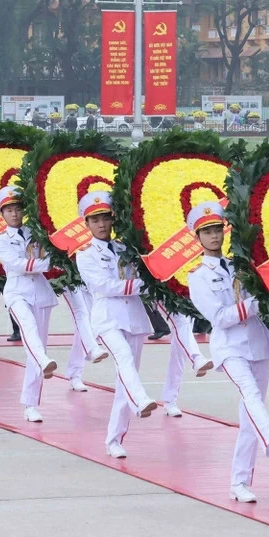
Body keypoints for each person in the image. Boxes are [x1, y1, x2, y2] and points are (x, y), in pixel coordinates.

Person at [187, 201, 269, 502]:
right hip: (229, 347)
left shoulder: (241, 264)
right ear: (197, 237)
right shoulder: (198, 276)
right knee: (250, 394)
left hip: (257, 344)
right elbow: (219, 317)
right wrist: (256, 303)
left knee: (250, 413)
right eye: (206, 231)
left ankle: (239, 482)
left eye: (217, 229)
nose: (214, 236)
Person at [75, 190, 158, 457]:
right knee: (122, 357)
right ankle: (141, 399)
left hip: (133, 317)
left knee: (126, 375)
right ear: (86, 224)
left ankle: (114, 439)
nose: (101, 224)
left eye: (105, 218)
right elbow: (103, 285)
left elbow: (140, 273)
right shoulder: (85, 254)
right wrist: (141, 285)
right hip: (107, 317)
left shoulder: (126, 248)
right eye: (95, 220)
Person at [0, 186, 60, 422]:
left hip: (40, 291)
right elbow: (16, 264)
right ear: (2, 214)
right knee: (28, 329)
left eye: (17, 209)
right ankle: (44, 361)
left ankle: (31, 404)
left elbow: (51, 257)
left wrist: (43, 262)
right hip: (17, 290)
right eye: (9, 210)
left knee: (35, 344)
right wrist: (42, 263)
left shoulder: (37, 232)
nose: (14, 214)